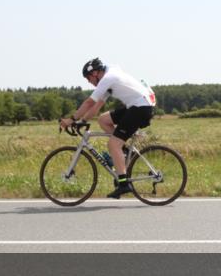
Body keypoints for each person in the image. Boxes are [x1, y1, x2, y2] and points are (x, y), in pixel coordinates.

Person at [60, 58, 156, 198]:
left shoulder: (108, 78)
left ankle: (123, 184)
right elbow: (96, 106)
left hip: (140, 109)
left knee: (113, 144)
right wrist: (83, 120)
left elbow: (88, 103)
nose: (88, 82)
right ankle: (124, 151)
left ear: (95, 73)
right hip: (138, 106)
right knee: (103, 119)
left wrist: (72, 119)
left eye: (88, 78)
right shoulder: (108, 77)